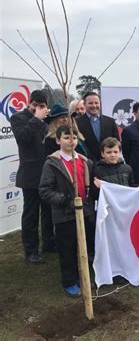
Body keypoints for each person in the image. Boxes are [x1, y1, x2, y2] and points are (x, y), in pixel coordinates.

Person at [38, 125, 94, 297]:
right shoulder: (52, 163)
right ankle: (69, 280)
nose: (71, 141)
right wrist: (64, 201)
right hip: (64, 214)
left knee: (84, 246)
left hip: (84, 212)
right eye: (66, 138)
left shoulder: (85, 162)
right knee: (67, 248)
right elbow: (44, 190)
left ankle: (83, 275)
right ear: (58, 140)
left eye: (74, 138)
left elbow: (89, 186)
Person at [11, 89, 54, 263]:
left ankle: (49, 243)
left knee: (48, 212)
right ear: (30, 103)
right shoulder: (18, 118)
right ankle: (31, 250)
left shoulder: (45, 122)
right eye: (35, 105)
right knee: (31, 214)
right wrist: (36, 118)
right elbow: (23, 138)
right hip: (29, 174)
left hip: (47, 173)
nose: (38, 109)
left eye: (42, 106)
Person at [76, 91, 120, 162]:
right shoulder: (77, 123)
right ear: (84, 104)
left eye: (96, 103)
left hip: (108, 164)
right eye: (90, 103)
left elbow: (117, 143)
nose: (94, 106)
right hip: (87, 163)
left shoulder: (110, 121)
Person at [90, 137, 134, 201]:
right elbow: (94, 196)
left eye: (115, 152)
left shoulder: (127, 169)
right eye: (109, 152)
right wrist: (96, 187)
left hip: (125, 204)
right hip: (109, 206)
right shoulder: (98, 171)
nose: (112, 155)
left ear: (120, 152)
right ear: (102, 154)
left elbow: (131, 187)